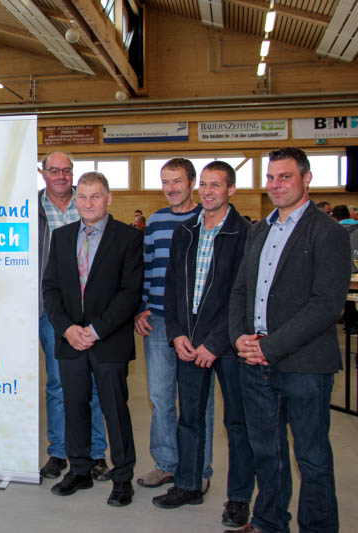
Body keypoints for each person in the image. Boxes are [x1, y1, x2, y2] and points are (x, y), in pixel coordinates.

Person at [227, 148, 349, 533]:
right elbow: (240, 290)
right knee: (267, 453)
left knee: (312, 458)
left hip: (304, 366)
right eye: (270, 177)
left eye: (285, 177)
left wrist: (270, 347)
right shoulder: (259, 230)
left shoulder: (327, 232)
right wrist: (239, 338)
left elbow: (326, 304)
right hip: (254, 364)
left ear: (306, 178)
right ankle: (268, 522)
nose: (276, 185)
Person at [151, 161, 254, 529]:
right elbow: (172, 287)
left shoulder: (244, 234)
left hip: (228, 345)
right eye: (205, 185)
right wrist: (177, 333)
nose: (208, 192)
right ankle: (188, 484)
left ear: (231, 190)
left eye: (216, 185)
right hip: (188, 341)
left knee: (237, 423)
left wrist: (215, 341)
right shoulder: (186, 231)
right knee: (189, 418)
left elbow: (242, 296)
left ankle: (238, 500)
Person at [42, 172, 143, 507]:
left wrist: (96, 330)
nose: (88, 203)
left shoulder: (128, 238)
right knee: (74, 407)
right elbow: (50, 289)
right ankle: (80, 470)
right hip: (70, 341)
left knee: (115, 410)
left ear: (108, 199)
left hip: (109, 341)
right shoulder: (61, 237)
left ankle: (123, 477)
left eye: (95, 196)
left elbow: (130, 293)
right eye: (82, 197)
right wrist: (67, 328)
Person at [134, 158, 215, 492]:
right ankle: (166, 464)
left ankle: (200, 468)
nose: (171, 188)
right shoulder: (155, 221)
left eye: (177, 181)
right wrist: (141, 307)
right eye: (165, 182)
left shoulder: (207, 218)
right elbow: (147, 267)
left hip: (195, 324)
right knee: (160, 397)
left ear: (192, 182)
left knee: (198, 402)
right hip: (157, 321)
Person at [37, 151, 110, 482]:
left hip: (91, 312)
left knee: (92, 384)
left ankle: (96, 453)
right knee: (58, 384)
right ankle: (58, 451)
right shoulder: (29, 209)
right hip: (51, 311)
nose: (61, 176)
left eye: (66, 170)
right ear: (43, 173)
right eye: (54, 170)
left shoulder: (89, 204)